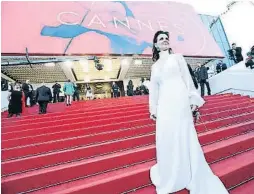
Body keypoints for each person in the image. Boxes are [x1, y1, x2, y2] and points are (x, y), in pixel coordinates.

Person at [149, 30, 228, 194]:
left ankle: (189, 171)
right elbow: (154, 90)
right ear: (156, 45)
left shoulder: (177, 58)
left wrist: (193, 100)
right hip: (164, 105)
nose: (164, 40)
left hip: (180, 101)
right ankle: (171, 171)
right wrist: (153, 109)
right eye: (160, 39)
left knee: (184, 135)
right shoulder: (154, 67)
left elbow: (188, 80)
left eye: (166, 38)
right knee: (167, 137)